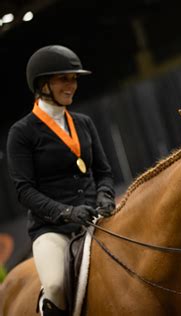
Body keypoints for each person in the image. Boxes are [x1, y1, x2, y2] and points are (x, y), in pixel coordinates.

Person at [7, 45, 115, 316]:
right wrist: (65, 213)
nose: (72, 85)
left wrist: (105, 196)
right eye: (64, 79)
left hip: (94, 220)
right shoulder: (22, 132)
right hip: (52, 229)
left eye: (74, 79)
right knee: (55, 285)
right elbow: (24, 191)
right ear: (43, 84)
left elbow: (103, 171)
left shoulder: (84, 123)